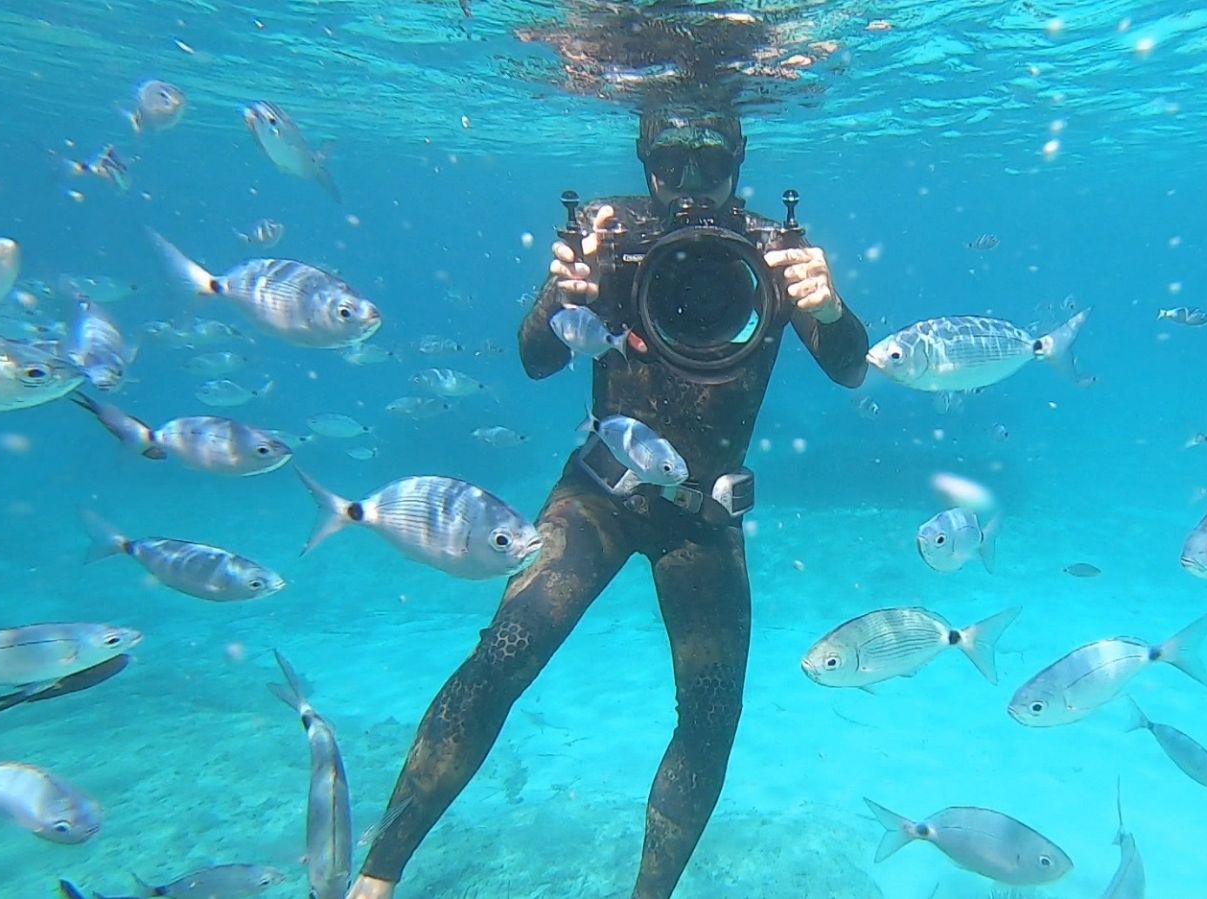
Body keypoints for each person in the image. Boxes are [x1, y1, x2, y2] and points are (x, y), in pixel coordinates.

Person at [346, 103, 869, 899]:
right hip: (597, 494)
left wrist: (828, 309)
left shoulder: (774, 250)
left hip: (704, 514)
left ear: (741, 155)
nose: (688, 182)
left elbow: (851, 367)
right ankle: (376, 876)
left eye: (711, 161)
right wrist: (560, 299)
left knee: (710, 715)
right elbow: (536, 359)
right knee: (503, 655)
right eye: (669, 162)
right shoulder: (609, 235)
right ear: (640, 156)